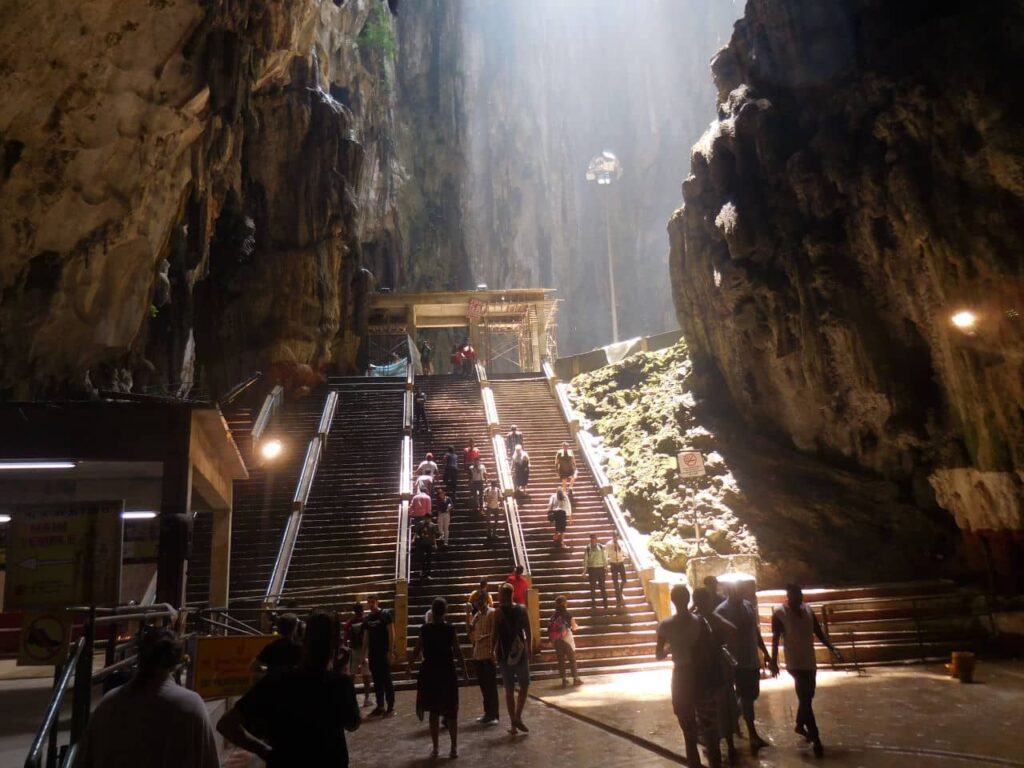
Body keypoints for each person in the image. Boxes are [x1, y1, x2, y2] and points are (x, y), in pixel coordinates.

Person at [218, 611, 361, 767]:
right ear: (335, 644)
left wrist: (264, 750)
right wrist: (338, 673)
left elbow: (227, 724)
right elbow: (352, 723)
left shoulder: (276, 680)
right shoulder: (339, 684)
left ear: (303, 640)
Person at [79, 627, 219, 768]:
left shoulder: (108, 703)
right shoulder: (191, 705)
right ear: (176, 662)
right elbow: (209, 761)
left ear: (139, 657)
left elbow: (86, 759)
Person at [772, 583, 843, 758]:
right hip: (795, 662)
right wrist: (773, 661)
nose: (799, 598)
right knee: (805, 697)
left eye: (800, 595)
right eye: (795, 595)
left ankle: (799, 724)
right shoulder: (780, 614)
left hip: (809, 661)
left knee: (807, 697)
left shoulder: (808, 611)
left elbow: (818, 632)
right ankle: (816, 738)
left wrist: (832, 648)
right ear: (788, 596)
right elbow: (775, 639)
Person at [655, 585, 723, 768]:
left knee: (689, 734)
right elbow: (711, 649)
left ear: (672, 600)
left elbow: (658, 655)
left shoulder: (665, 625)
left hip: (681, 678)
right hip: (701, 677)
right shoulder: (700, 622)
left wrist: (672, 647)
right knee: (710, 730)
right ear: (688, 599)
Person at [716, 583, 776, 755]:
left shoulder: (748, 606)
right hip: (737, 661)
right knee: (747, 696)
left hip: (751, 658)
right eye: (735, 589)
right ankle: (752, 734)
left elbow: (755, 632)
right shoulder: (722, 611)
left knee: (752, 693)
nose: (738, 592)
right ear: (728, 590)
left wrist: (765, 653)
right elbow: (719, 639)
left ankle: (732, 718)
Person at [409, 598, 468, 759]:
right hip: (447, 672)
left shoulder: (425, 629)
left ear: (432, 611)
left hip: (430, 672)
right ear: (445, 612)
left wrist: (409, 665)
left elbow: (416, 649)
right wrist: (464, 670)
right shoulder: (450, 629)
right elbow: (458, 651)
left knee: (433, 712)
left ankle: (435, 748)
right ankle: (454, 747)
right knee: (451, 711)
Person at [693, 586, 739, 765]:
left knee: (710, 712)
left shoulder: (696, 619)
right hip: (718, 670)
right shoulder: (712, 618)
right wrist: (721, 644)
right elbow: (733, 630)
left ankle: (714, 748)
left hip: (703, 673)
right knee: (725, 709)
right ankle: (728, 745)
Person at [492, 583, 531, 735]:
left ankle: (514, 723)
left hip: (504, 654)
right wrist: (530, 647)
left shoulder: (498, 613)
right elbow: (528, 630)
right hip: (521, 653)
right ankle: (517, 717)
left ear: (502, 595)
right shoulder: (522, 609)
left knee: (509, 689)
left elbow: (494, 634)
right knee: (524, 685)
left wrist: (491, 651)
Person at [467, 590, 500, 724]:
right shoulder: (478, 615)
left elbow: (495, 632)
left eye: (478, 601)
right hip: (478, 654)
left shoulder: (492, 613)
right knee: (483, 686)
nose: (476, 603)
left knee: (491, 685)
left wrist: (485, 638)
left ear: (485, 600)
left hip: (488, 654)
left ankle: (494, 715)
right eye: (475, 601)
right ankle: (488, 713)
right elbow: (469, 629)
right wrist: (467, 613)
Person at [364, 595, 397, 716]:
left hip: (383, 652)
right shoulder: (368, 618)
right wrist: (364, 655)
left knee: (387, 680)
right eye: (369, 602)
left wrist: (390, 650)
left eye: (373, 602)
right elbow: (366, 637)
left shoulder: (385, 615)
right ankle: (380, 706)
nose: (371, 604)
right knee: (377, 680)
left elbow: (391, 632)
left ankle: (391, 707)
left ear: (377, 602)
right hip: (373, 654)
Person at [548, 595, 582, 688]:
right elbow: (574, 627)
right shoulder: (568, 614)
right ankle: (575, 679)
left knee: (561, 660)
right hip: (567, 639)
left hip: (557, 640)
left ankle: (564, 680)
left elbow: (550, 629)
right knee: (572, 659)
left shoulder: (553, 616)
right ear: (565, 604)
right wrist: (575, 625)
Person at [343, 603, 374, 708]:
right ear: (362, 611)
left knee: (352, 675)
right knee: (366, 675)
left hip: (354, 651)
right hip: (365, 651)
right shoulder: (366, 621)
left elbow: (345, 638)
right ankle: (366, 698)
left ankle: (351, 698)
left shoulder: (350, 623)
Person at [582, 534, 608, 609]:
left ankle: (605, 603)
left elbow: (604, 558)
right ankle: (593, 603)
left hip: (600, 569)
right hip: (592, 569)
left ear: (596, 539)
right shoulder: (587, 548)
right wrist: (584, 571)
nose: (593, 540)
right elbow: (585, 560)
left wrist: (606, 568)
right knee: (593, 587)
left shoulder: (601, 547)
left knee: (602, 586)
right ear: (590, 540)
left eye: (594, 539)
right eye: (591, 539)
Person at [606, 533, 629, 606]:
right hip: (613, 564)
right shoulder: (608, 544)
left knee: (624, 580)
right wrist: (606, 566)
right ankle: (618, 600)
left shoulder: (621, 543)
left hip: (621, 563)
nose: (615, 538)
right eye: (614, 536)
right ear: (612, 537)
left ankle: (620, 591)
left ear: (618, 537)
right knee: (615, 582)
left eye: (616, 536)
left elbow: (626, 553)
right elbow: (606, 555)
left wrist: (620, 548)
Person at [415, 517, 440, 581]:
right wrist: (415, 538)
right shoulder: (421, 524)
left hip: (429, 544)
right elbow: (417, 533)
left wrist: (435, 544)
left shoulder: (432, 525)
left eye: (429, 519)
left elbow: (434, 535)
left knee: (429, 559)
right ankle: (422, 572)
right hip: (422, 544)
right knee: (422, 558)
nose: (427, 520)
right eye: (427, 519)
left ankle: (428, 574)